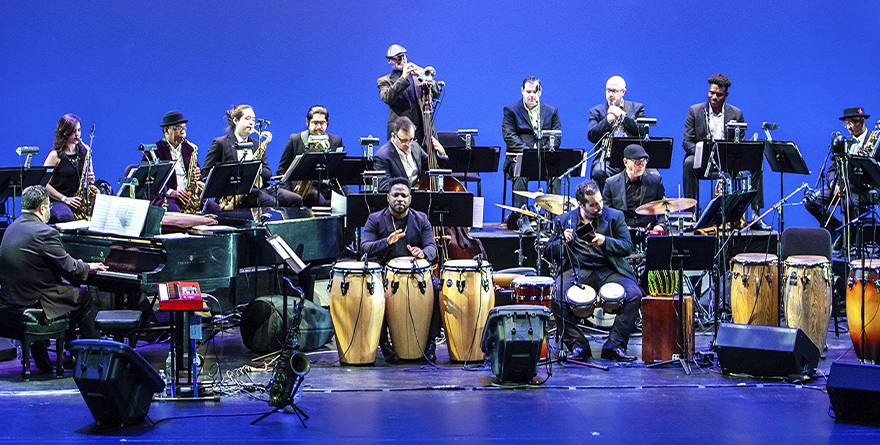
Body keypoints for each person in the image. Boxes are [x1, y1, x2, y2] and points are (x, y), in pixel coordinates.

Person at [0, 185, 107, 372]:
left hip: (12, 296)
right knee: (84, 299)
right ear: (42, 208)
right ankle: (95, 357)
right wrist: (88, 266)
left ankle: (45, 349)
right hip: (35, 298)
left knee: (66, 292)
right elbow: (71, 269)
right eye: (49, 206)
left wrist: (72, 263)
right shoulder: (46, 232)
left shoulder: (12, 228)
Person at [545, 179, 643, 362]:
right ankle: (578, 345)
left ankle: (615, 345)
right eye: (593, 204)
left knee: (634, 294)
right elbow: (549, 252)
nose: (599, 206)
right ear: (581, 204)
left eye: (600, 201)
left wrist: (605, 241)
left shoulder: (615, 216)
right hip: (578, 271)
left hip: (609, 270)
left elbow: (627, 247)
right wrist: (562, 242)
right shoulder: (564, 220)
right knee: (556, 295)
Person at [360, 177, 441, 363]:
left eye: (404, 195)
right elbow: (364, 247)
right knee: (375, 293)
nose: (399, 199)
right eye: (395, 195)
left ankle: (430, 342)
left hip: (415, 273)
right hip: (384, 273)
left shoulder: (421, 219)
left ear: (410, 199)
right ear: (388, 197)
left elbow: (432, 247)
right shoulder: (375, 219)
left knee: (436, 288)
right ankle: (384, 343)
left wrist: (422, 253)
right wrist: (386, 242)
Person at [682, 74, 766, 227]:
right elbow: (687, 142)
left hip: (729, 161)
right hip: (704, 160)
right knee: (688, 163)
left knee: (756, 164)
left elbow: (740, 142)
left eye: (719, 94)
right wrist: (703, 154)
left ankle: (755, 214)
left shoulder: (736, 113)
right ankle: (690, 213)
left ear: (726, 95)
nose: (714, 97)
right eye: (711, 93)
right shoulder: (694, 111)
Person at [203, 104, 302, 208]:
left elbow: (268, 171)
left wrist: (255, 170)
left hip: (258, 188)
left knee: (296, 199)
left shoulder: (256, 144)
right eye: (247, 118)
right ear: (236, 121)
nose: (251, 123)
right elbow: (206, 172)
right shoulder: (221, 143)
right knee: (269, 202)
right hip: (234, 193)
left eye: (253, 120)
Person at [805, 107, 873, 237]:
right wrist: (833, 185)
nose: (848, 127)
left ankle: (846, 241)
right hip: (839, 186)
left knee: (847, 203)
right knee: (811, 201)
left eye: (852, 123)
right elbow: (831, 170)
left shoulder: (874, 142)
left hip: (861, 189)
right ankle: (841, 231)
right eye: (846, 123)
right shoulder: (843, 142)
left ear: (862, 120)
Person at [502, 76, 562, 209]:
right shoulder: (511, 110)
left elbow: (556, 137)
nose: (531, 95)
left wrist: (544, 153)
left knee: (556, 173)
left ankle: (554, 219)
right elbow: (509, 136)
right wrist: (529, 154)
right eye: (528, 92)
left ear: (540, 92)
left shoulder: (552, 111)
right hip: (520, 159)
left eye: (534, 92)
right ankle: (523, 218)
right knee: (520, 171)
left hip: (544, 158)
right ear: (522, 91)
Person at [146, 111, 221, 213]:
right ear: (166, 130)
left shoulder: (189, 148)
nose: (183, 132)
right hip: (168, 197)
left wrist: (197, 175)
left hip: (189, 196)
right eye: (178, 128)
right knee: (175, 213)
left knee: (215, 209)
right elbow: (149, 182)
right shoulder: (154, 150)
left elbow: (197, 175)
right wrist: (171, 192)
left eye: (184, 128)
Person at [277, 105, 345, 207]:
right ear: (307, 122)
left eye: (322, 123)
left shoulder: (336, 140)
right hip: (305, 188)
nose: (318, 127)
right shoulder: (295, 139)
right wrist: (288, 195)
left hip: (328, 186)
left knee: (352, 198)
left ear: (327, 122)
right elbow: (282, 170)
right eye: (315, 123)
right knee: (320, 201)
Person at [588, 76, 646, 191]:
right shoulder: (597, 111)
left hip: (633, 159)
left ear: (623, 92)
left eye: (614, 91)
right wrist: (607, 120)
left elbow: (642, 132)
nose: (610, 94)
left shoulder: (637, 108)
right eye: (608, 90)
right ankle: (602, 208)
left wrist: (622, 115)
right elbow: (592, 135)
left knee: (653, 175)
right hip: (608, 160)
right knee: (598, 172)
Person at [378, 44, 440, 146]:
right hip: (402, 134)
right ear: (389, 60)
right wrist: (403, 77)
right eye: (397, 58)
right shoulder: (384, 80)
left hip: (423, 132)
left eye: (403, 56)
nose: (402, 60)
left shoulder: (417, 76)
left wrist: (423, 74)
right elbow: (387, 97)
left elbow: (436, 93)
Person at [43, 113, 95, 223]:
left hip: (79, 200)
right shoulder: (55, 156)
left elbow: (90, 179)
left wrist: (90, 180)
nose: (77, 134)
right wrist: (64, 199)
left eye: (79, 130)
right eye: (73, 131)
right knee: (66, 217)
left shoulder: (85, 152)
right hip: (58, 201)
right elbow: (44, 183)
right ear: (64, 132)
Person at [602, 144, 666, 231]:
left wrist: (660, 225)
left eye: (644, 161)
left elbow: (663, 207)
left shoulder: (655, 180)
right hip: (621, 232)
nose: (642, 165)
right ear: (625, 162)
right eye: (637, 162)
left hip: (647, 230)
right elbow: (606, 212)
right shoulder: (611, 183)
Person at [373, 116, 447, 191]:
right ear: (393, 136)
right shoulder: (382, 156)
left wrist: (441, 154)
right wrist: (413, 192)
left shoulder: (415, 146)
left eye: (411, 139)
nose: (408, 145)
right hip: (401, 198)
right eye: (404, 141)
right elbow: (384, 187)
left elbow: (433, 168)